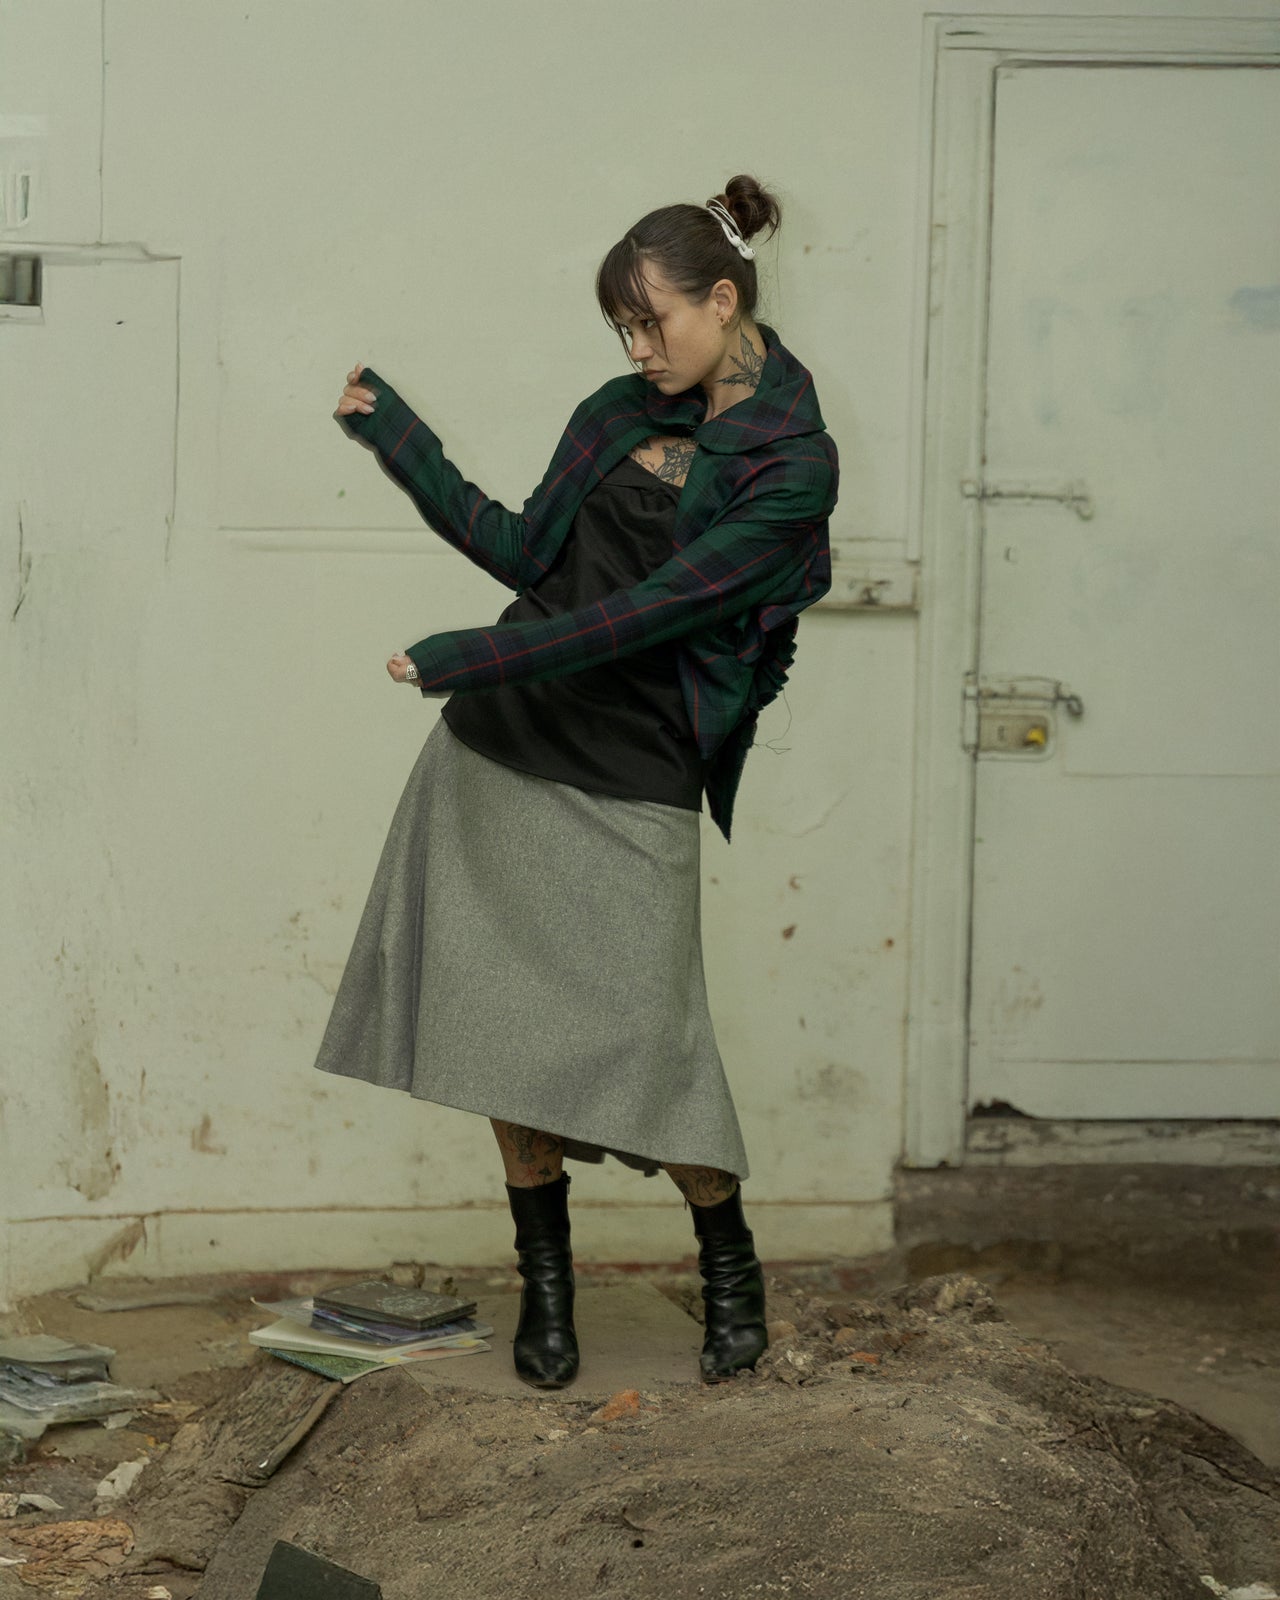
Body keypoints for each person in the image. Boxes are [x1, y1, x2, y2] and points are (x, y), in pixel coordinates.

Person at [315, 174, 839, 1391]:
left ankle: (727, 1266)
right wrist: (394, 433)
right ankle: (544, 1289)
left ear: (723, 300)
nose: (638, 349)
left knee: (656, 1042)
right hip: (508, 748)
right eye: (622, 330)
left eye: (654, 323)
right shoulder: (617, 410)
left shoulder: (791, 467)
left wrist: (460, 656)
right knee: (507, 1037)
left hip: (635, 759)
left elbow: (645, 616)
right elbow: (521, 548)